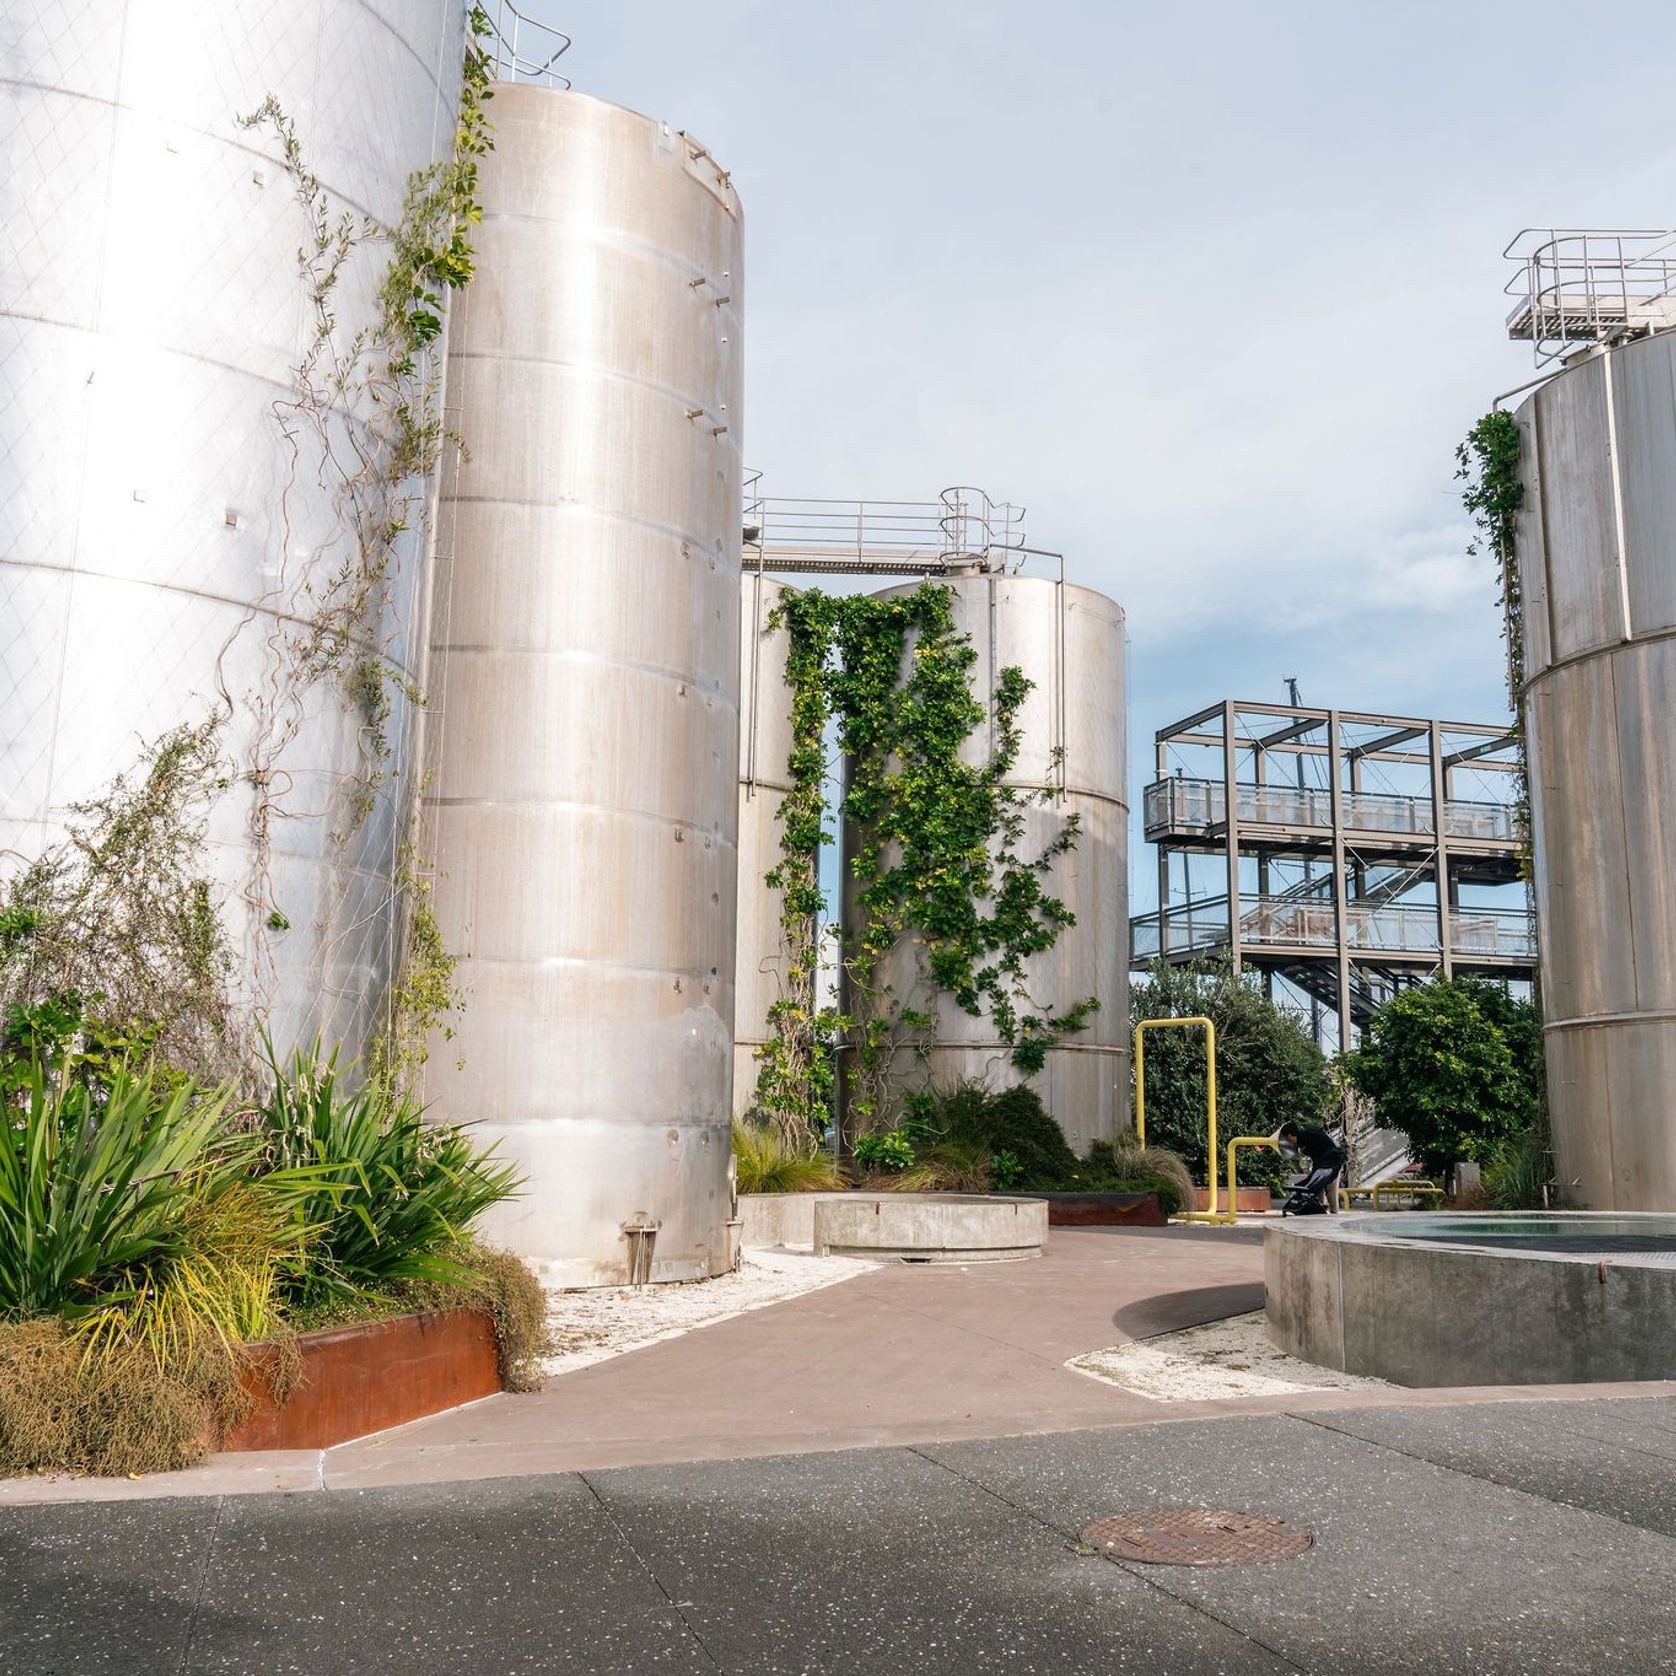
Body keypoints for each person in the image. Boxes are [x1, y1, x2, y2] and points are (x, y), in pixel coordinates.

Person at [1274, 1119, 1345, 1215]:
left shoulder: (1306, 1138)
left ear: (1290, 1136)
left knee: (1330, 1189)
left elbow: (1318, 1155)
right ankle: (1321, 1209)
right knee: (1319, 1187)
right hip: (1325, 1163)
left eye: (1287, 1139)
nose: (1288, 1142)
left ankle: (1333, 1212)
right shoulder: (1304, 1137)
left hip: (1332, 1163)